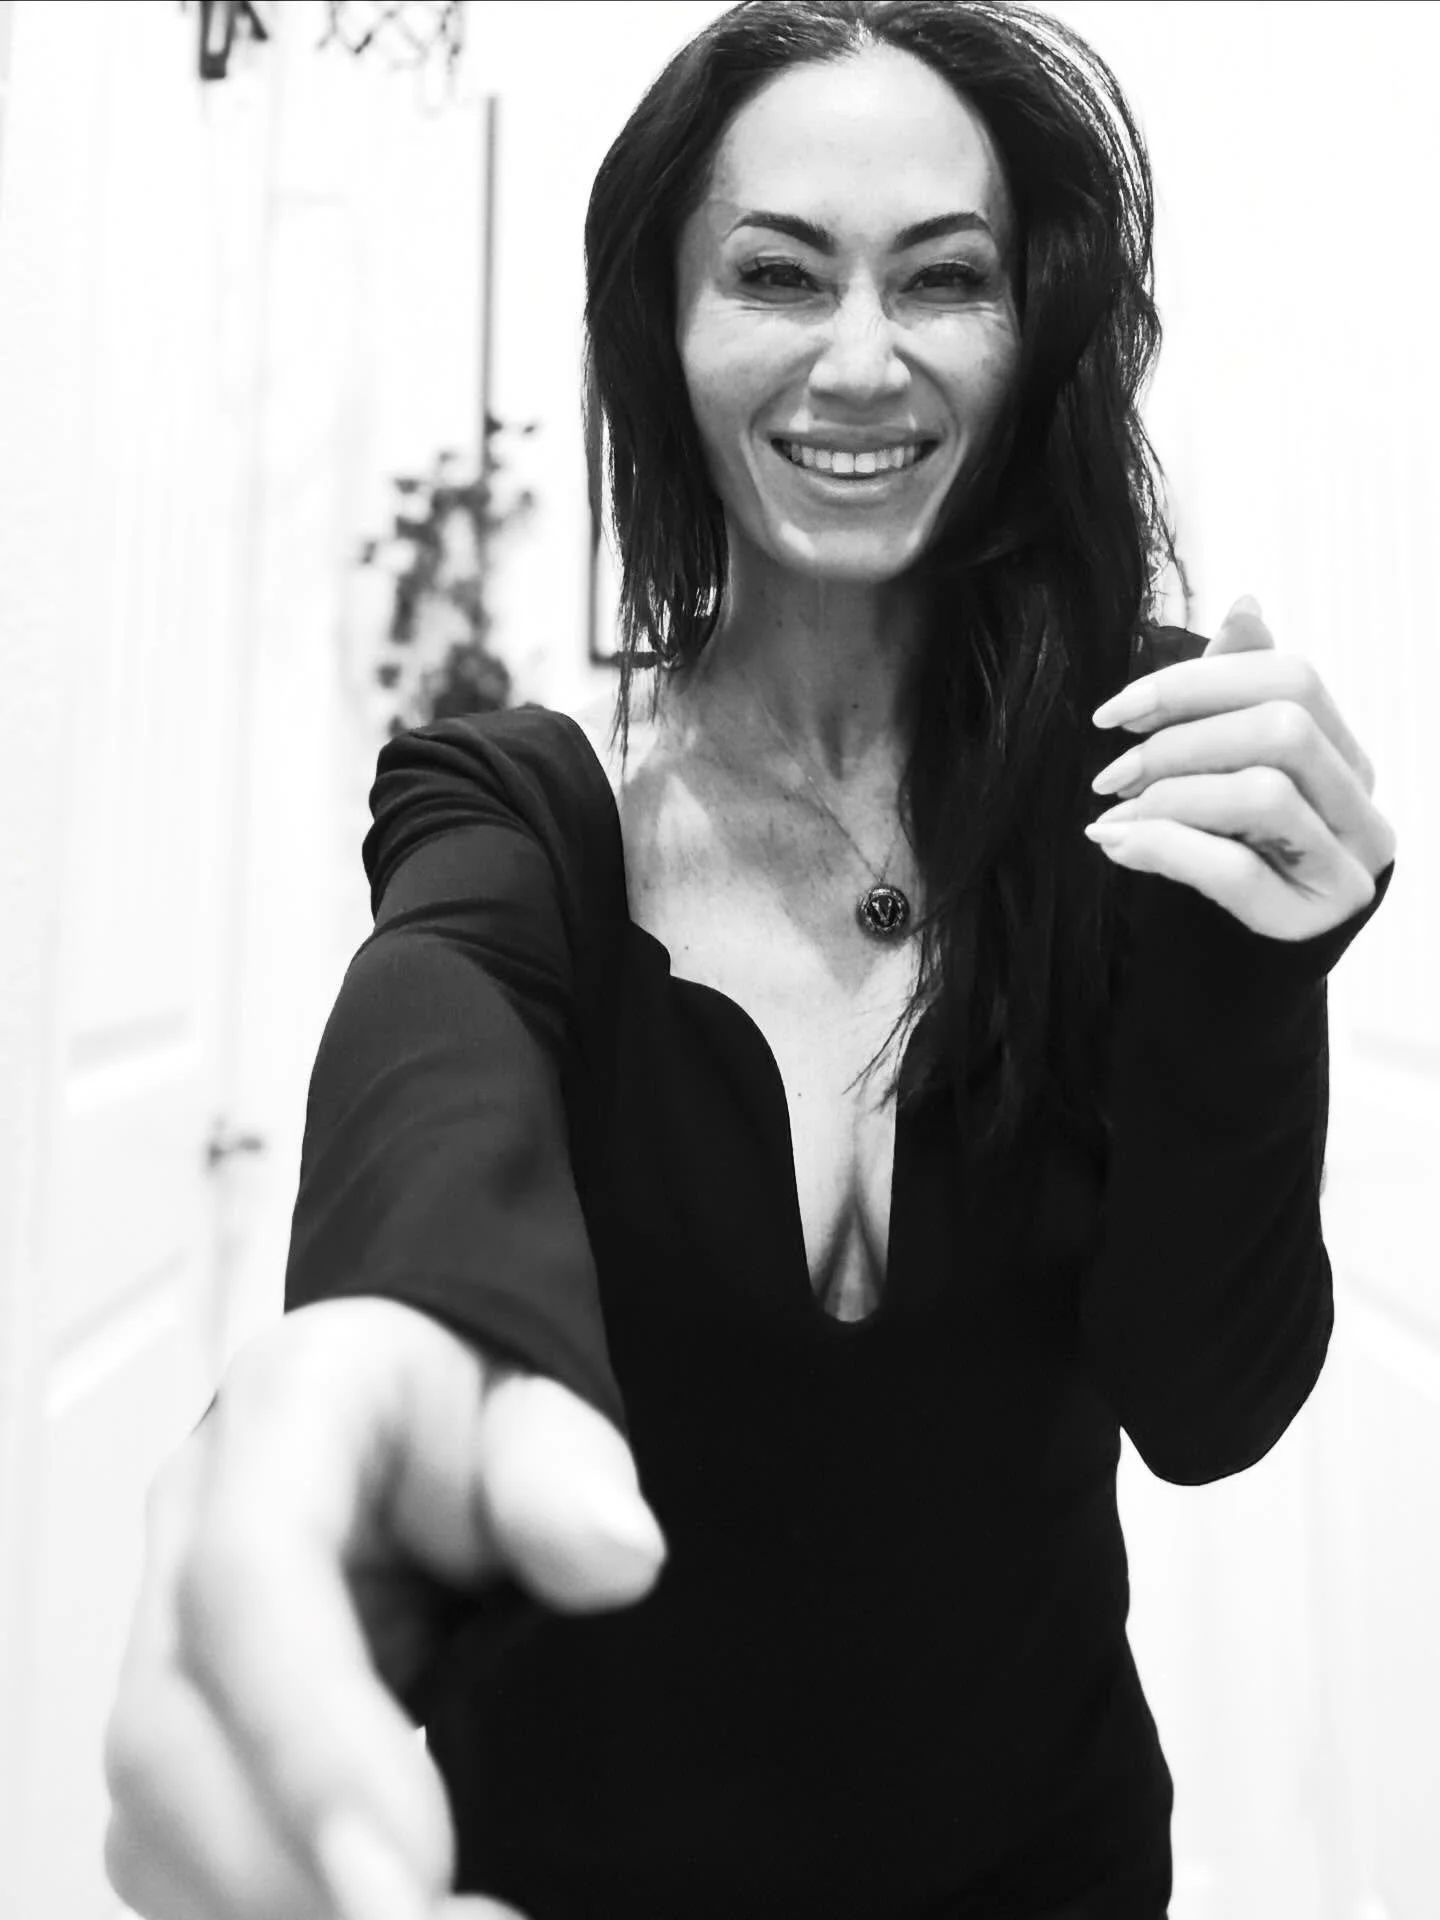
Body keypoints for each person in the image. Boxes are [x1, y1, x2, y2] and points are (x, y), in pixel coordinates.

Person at [101, 4, 1398, 1917]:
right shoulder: (524, 806)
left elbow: (1208, 1406)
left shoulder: (1140, 785)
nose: (860, 358)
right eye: (777, 274)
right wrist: (389, 1338)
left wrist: (1258, 972)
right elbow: (435, 1037)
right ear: (665, 333)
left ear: (1031, 331)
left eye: (944, 279)